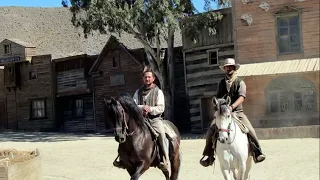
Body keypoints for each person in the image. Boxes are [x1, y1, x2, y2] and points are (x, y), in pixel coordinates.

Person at [199, 58, 266, 167]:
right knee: (211, 130)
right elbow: (219, 97)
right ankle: (208, 155)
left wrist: (232, 107)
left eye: (230, 67)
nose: (228, 69)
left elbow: (242, 97)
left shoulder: (240, 82)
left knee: (250, 130)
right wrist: (219, 106)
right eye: (226, 67)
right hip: (223, 113)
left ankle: (257, 152)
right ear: (224, 69)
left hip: (238, 112)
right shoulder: (221, 83)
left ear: (234, 68)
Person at [113, 68, 171, 176]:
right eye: (145, 77)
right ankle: (122, 159)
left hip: (154, 119)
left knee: (161, 133)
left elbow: (161, 108)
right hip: (140, 119)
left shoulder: (158, 91)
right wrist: (142, 107)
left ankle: (164, 158)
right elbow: (133, 105)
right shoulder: (138, 92)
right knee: (125, 132)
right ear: (143, 79)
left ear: (153, 78)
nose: (147, 79)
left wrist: (151, 109)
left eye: (149, 77)